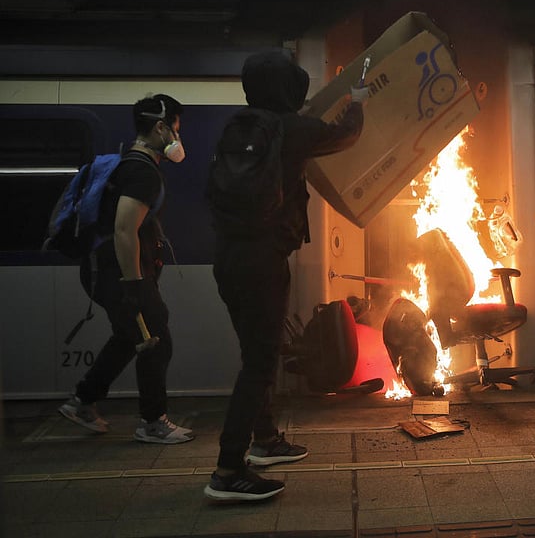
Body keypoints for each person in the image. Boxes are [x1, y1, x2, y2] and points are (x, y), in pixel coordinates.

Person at [203, 50, 367, 501]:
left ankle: (266, 440)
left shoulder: (239, 129)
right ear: (288, 87)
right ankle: (228, 470)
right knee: (259, 362)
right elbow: (346, 135)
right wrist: (357, 98)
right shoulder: (290, 128)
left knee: (256, 354)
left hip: (229, 258)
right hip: (262, 262)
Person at [58, 94, 194, 445]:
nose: (178, 138)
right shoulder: (143, 171)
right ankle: (153, 422)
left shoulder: (129, 163)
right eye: (176, 129)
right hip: (120, 271)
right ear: (161, 127)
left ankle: (83, 401)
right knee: (155, 338)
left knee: (128, 335)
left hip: (103, 268)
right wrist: (134, 285)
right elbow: (124, 229)